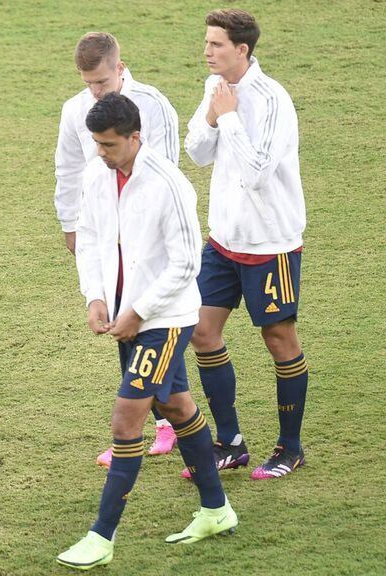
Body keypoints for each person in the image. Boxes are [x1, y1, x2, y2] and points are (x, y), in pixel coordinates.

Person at [56, 94, 236, 570]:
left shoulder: (168, 184)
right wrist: (95, 296)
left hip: (165, 319)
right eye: (96, 144)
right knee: (175, 405)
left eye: (109, 144)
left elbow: (186, 263)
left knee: (126, 420)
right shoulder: (97, 174)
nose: (101, 152)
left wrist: (138, 311)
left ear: (136, 137)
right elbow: (89, 237)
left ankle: (101, 537)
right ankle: (217, 509)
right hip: (126, 317)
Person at [183, 9, 309, 481]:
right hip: (222, 241)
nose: (207, 51)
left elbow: (257, 173)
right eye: (207, 42)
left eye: (216, 44)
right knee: (201, 331)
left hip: (270, 245)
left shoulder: (273, 99)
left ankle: (290, 448)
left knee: (278, 339)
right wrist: (213, 116)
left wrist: (230, 117)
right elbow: (197, 153)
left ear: (242, 49)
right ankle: (230, 442)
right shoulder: (215, 88)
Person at [53, 31, 182, 467]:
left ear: (120, 68)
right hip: (108, 236)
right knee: (124, 326)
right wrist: (71, 223)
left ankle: (162, 426)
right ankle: (168, 424)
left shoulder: (153, 105)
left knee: (155, 327)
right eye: (88, 83)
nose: (95, 91)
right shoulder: (75, 110)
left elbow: (166, 172)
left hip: (149, 239)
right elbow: (68, 168)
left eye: (102, 82)